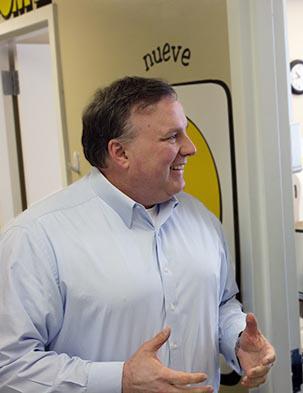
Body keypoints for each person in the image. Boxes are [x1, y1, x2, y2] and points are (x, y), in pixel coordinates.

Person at [0, 76, 276, 393]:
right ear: (120, 153)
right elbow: (10, 367)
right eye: (173, 137)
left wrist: (238, 338)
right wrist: (122, 379)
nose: (190, 148)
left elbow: (220, 304)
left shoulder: (200, 218)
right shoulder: (35, 237)